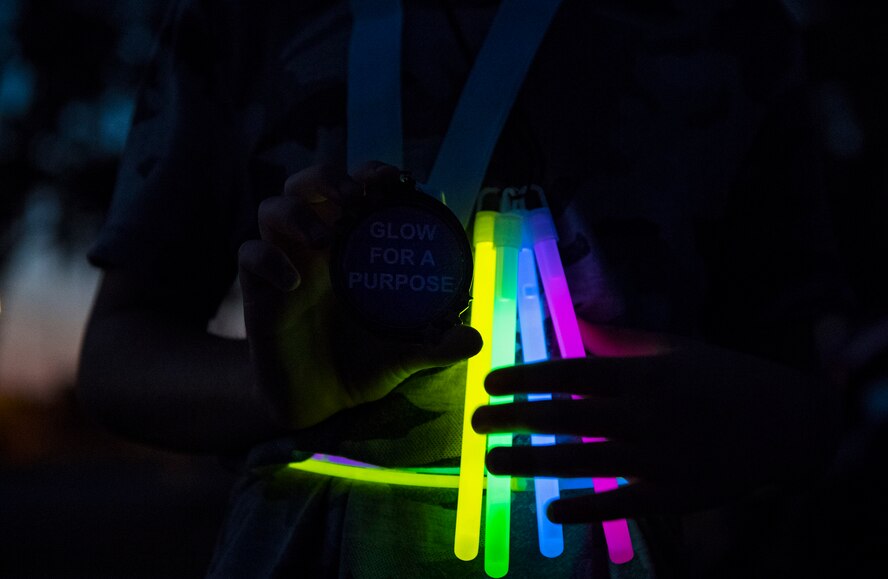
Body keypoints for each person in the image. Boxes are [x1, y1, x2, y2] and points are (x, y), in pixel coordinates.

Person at [78, 0, 858, 576]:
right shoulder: (246, 20)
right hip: (301, 553)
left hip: (616, 548)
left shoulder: (735, 30)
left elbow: (809, 392)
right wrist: (276, 385)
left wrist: (764, 421)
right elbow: (116, 355)